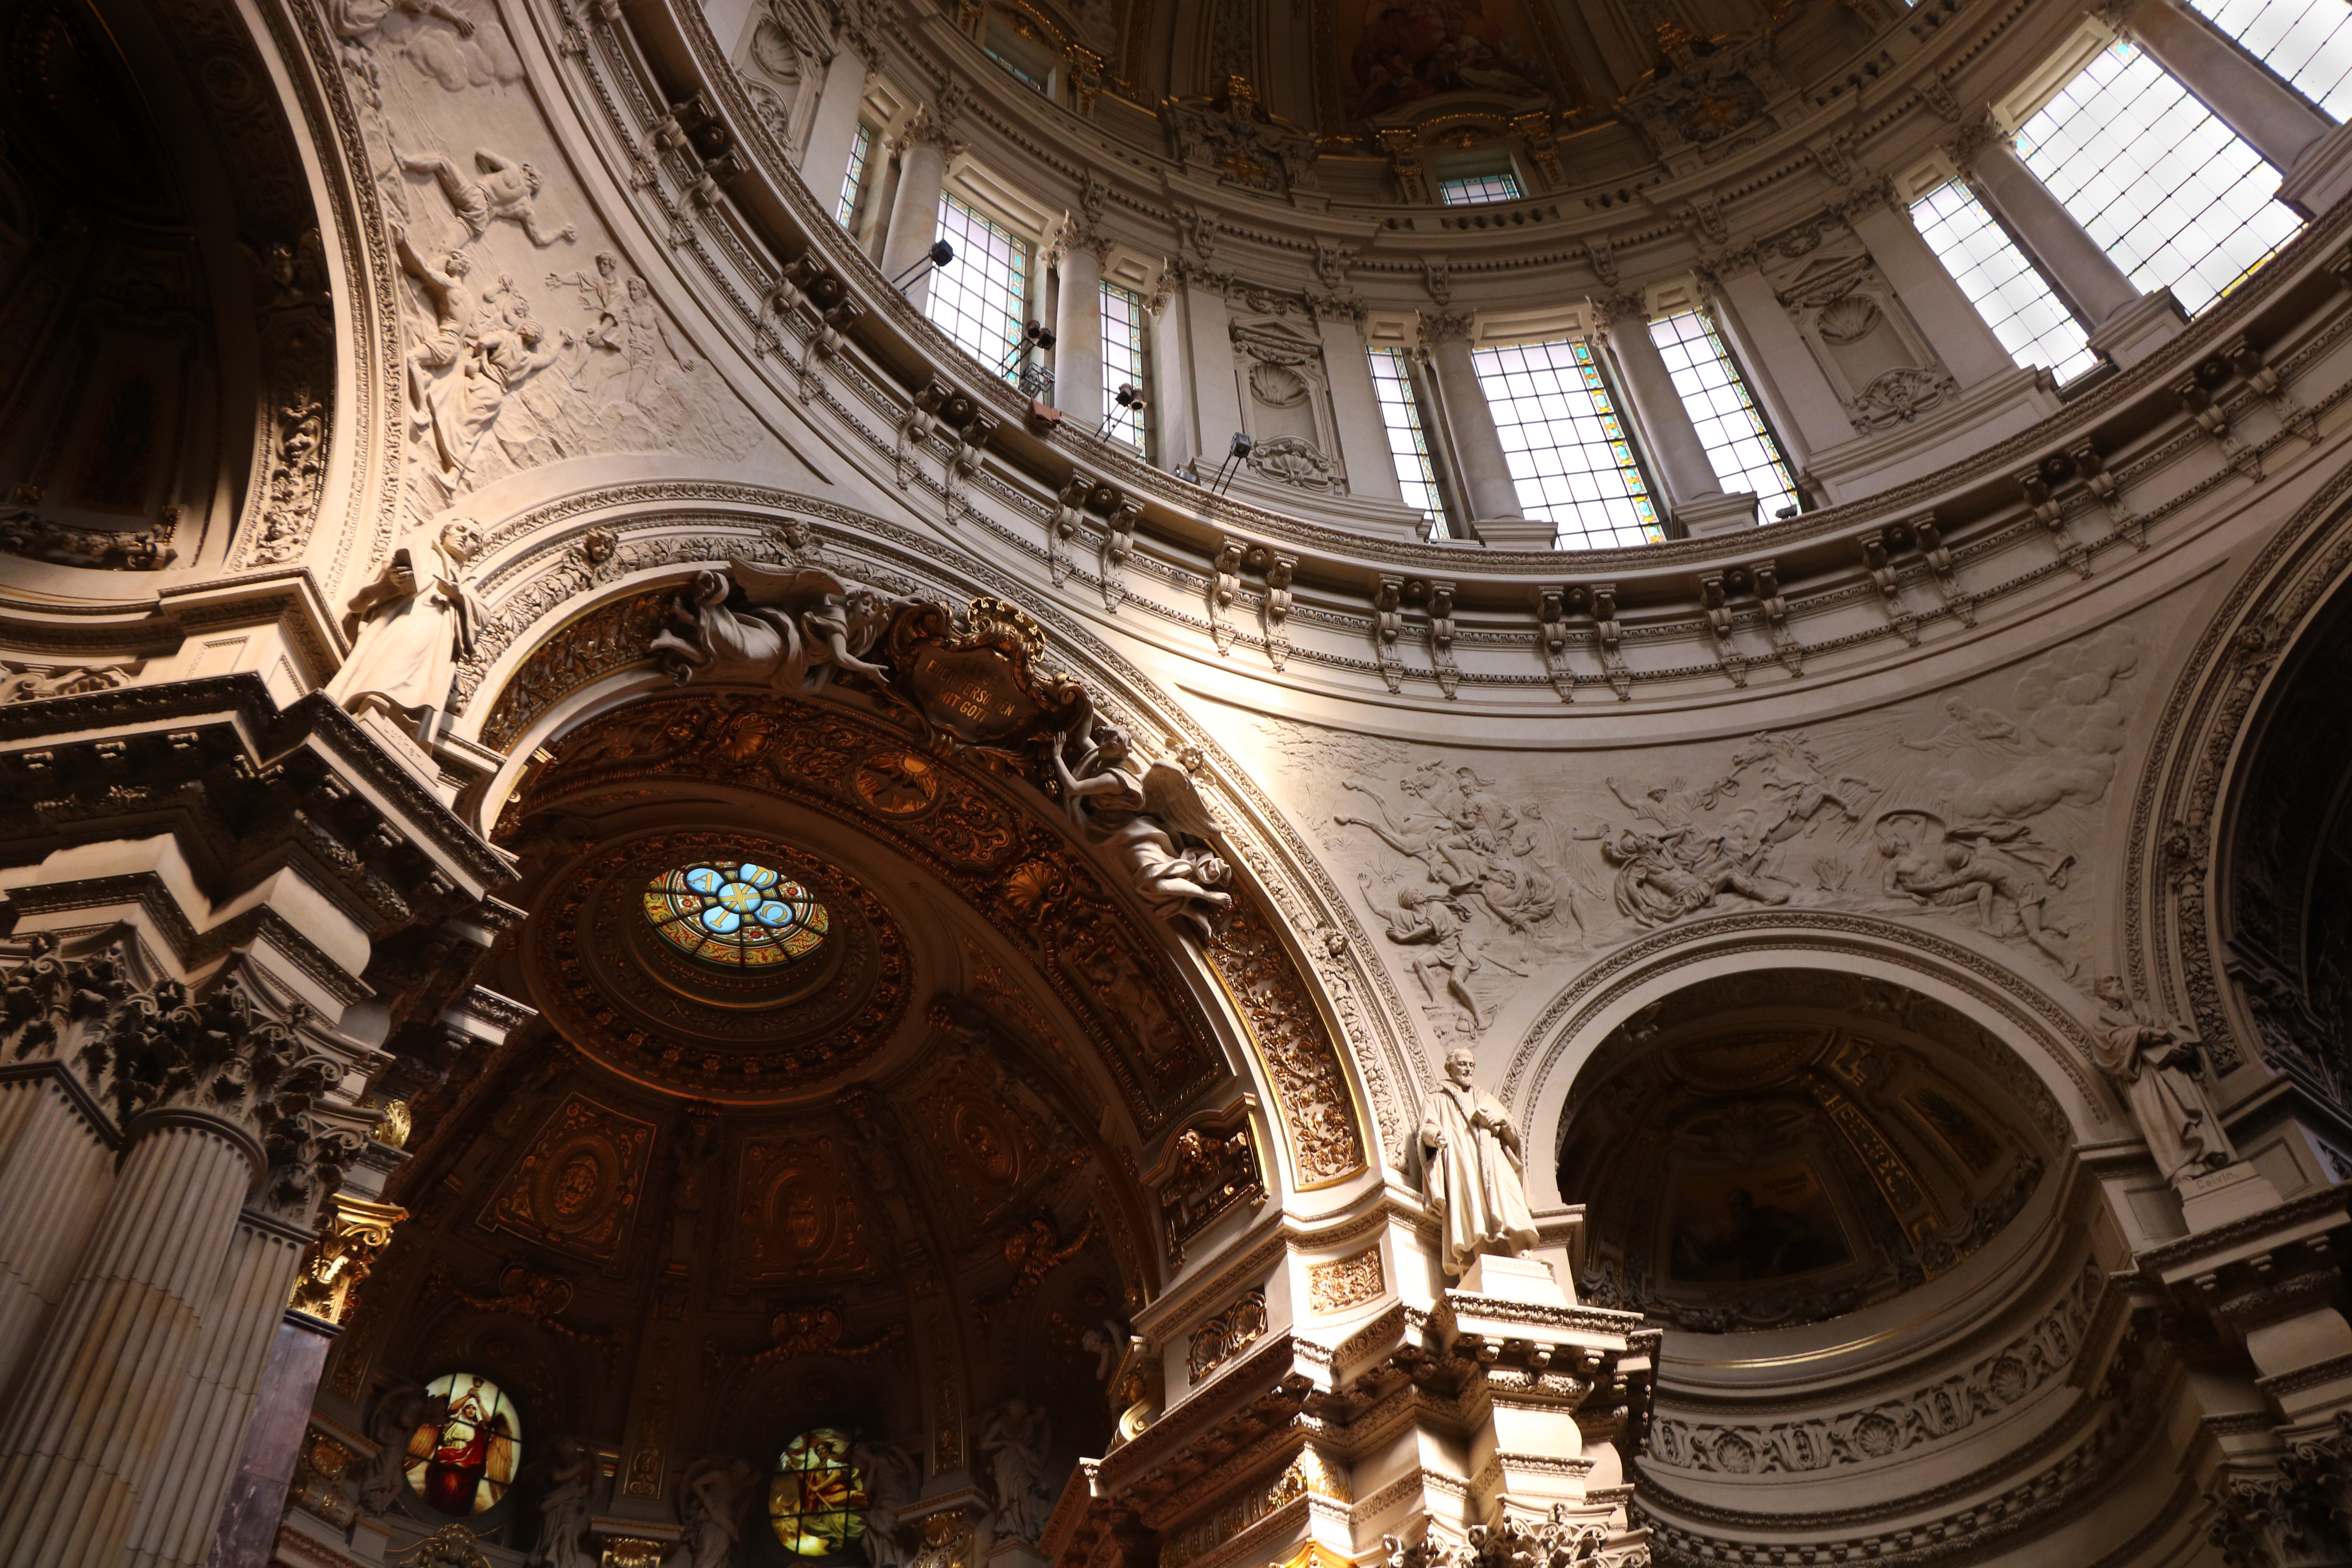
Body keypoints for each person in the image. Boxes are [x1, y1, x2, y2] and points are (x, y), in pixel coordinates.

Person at [2091, 975, 2235, 1183]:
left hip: (2172, 1071)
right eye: (2110, 984)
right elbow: (2108, 1052)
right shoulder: (2101, 1025)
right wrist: (2145, 1033)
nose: (2118, 986)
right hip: (2145, 1078)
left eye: (2119, 982)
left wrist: (2182, 1048)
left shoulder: (2149, 1008)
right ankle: (2183, 1169)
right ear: (2102, 994)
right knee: (2161, 1121)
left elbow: (2178, 1030)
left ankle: (2211, 1154)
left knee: (2189, 1111)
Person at [1416, 1044, 1538, 1278]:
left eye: (1471, 1065)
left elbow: (1513, 1138)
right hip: (1463, 1158)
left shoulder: (1484, 1097)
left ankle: (1520, 1248)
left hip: (1493, 1156)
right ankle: (1481, 1256)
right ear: (1450, 1067)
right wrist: (1435, 1136)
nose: (1468, 1069)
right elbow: (1426, 1127)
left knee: (1510, 1196)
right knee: (1472, 1205)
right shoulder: (1437, 1098)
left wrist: (1503, 1120)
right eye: (1462, 1064)